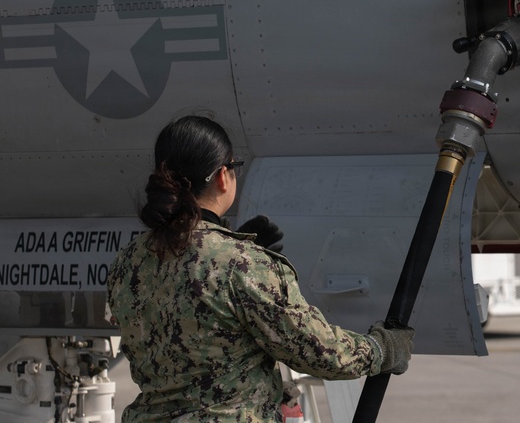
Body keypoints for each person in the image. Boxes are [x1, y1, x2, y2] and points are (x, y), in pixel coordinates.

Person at [107, 114, 413, 422]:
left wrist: (231, 243)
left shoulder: (128, 261)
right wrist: (381, 349)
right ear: (222, 176)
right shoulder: (240, 264)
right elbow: (317, 350)